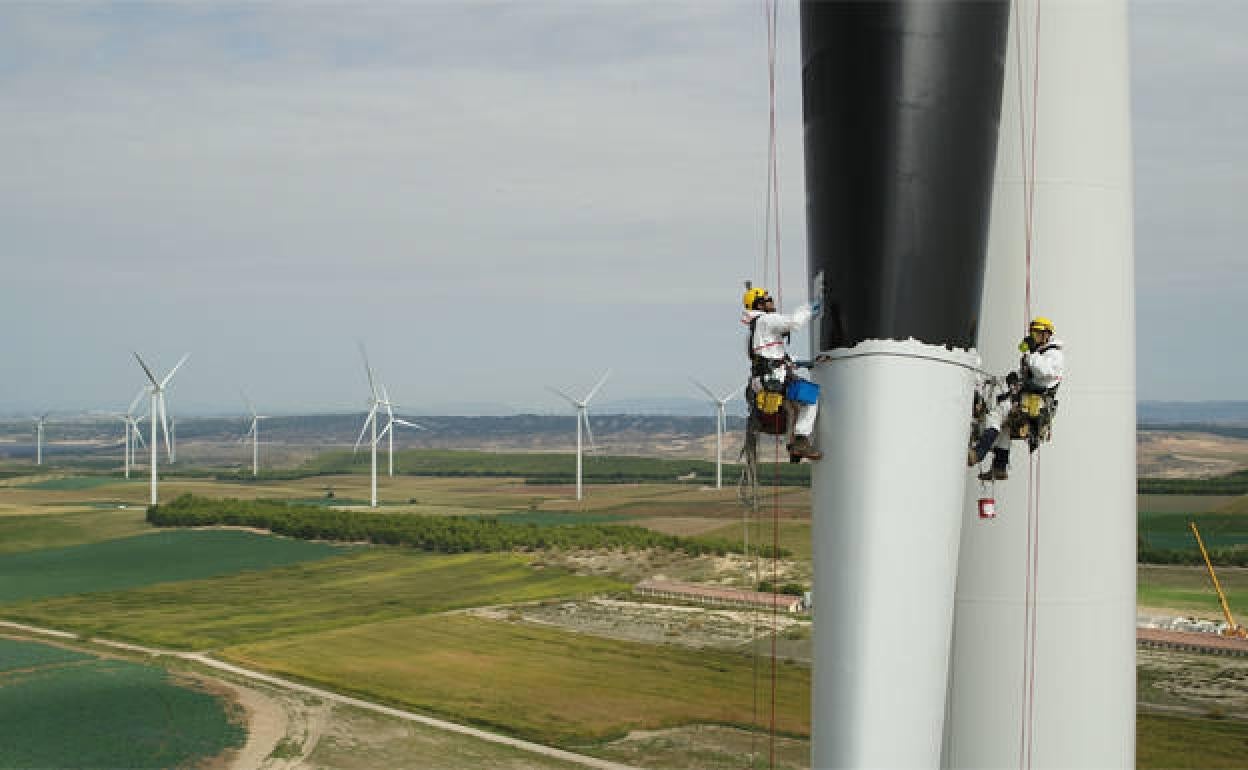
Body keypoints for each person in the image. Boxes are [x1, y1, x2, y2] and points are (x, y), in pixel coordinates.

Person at [969, 316, 1065, 481]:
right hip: (1027, 398)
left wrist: (1032, 352)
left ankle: (978, 453)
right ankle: (1000, 466)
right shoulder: (1041, 352)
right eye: (1032, 333)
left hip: (1034, 402)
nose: (1033, 336)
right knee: (1005, 427)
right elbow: (1031, 373)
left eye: (1036, 333)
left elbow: (1042, 371)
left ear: (1046, 334)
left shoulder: (1054, 355)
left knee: (995, 414)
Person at [742, 286, 822, 461]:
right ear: (760, 304)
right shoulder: (767, 320)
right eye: (768, 299)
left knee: (791, 408)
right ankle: (800, 441)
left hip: (761, 382)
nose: (772, 302)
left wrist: (799, 363)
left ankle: (792, 447)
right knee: (811, 399)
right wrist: (809, 309)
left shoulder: (753, 331)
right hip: (774, 379)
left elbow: (767, 356)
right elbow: (794, 322)